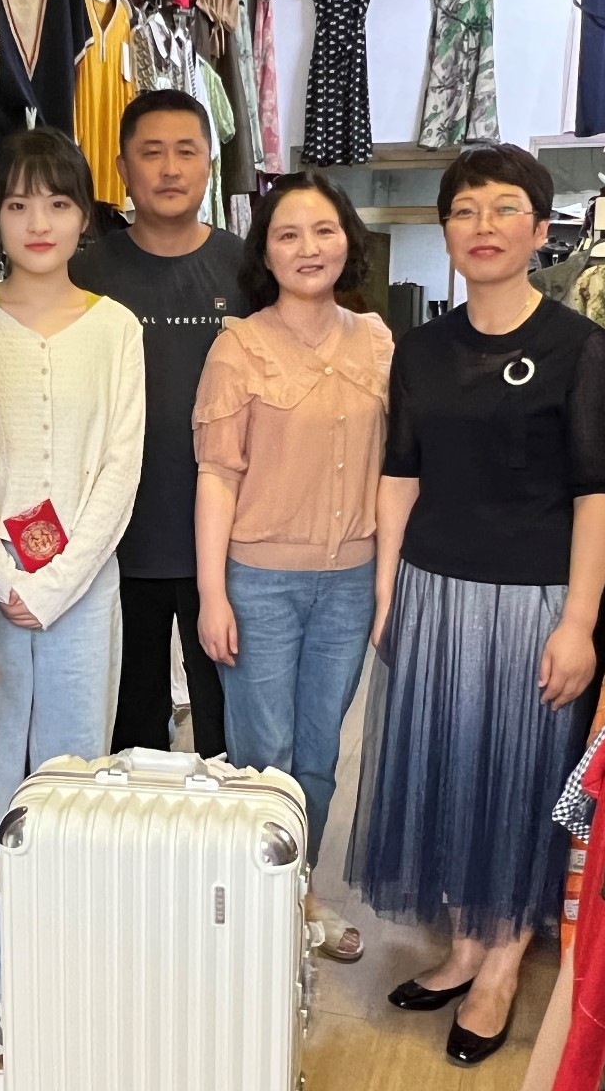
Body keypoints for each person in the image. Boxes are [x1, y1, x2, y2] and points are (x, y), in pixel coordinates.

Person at [347, 142, 605, 1067]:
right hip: (432, 589)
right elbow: (400, 473)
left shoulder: (578, 347)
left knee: (519, 776)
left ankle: (502, 962)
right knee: (448, 766)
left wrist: (579, 622)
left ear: (541, 231)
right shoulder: (421, 348)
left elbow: (596, 493)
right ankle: (465, 943)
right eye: (465, 211)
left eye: (505, 209)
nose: (483, 226)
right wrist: (389, 591)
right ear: (446, 231)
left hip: (533, 600)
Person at [0, 127, 145, 1058]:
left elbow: (120, 467)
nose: (38, 222)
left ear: (83, 215)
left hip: (83, 591)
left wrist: (57, 579)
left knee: (76, 779)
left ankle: (68, 961)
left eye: (58, 202)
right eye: (18, 203)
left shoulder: (116, 328)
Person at [191, 171, 390, 964]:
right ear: (266, 253)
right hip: (260, 585)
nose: (309, 248)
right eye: (288, 234)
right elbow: (217, 474)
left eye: (324, 230)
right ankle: (255, 907)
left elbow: (396, 473)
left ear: (348, 240)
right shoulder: (239, 346)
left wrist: (386, 584)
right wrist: (213, 593)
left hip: (349, 583)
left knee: (319, 756)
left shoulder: (376, 340)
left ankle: (298, 893)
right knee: (261, 756)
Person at [70, 88, 251, 757]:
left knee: (227, 738)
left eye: (186, 152)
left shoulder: (247, 267)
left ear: (209, 164)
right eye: (152, 153)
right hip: (116, 542)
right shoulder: (84, 272)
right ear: (122, 168)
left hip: (228, 544)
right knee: (127, 735)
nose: (170, 169)